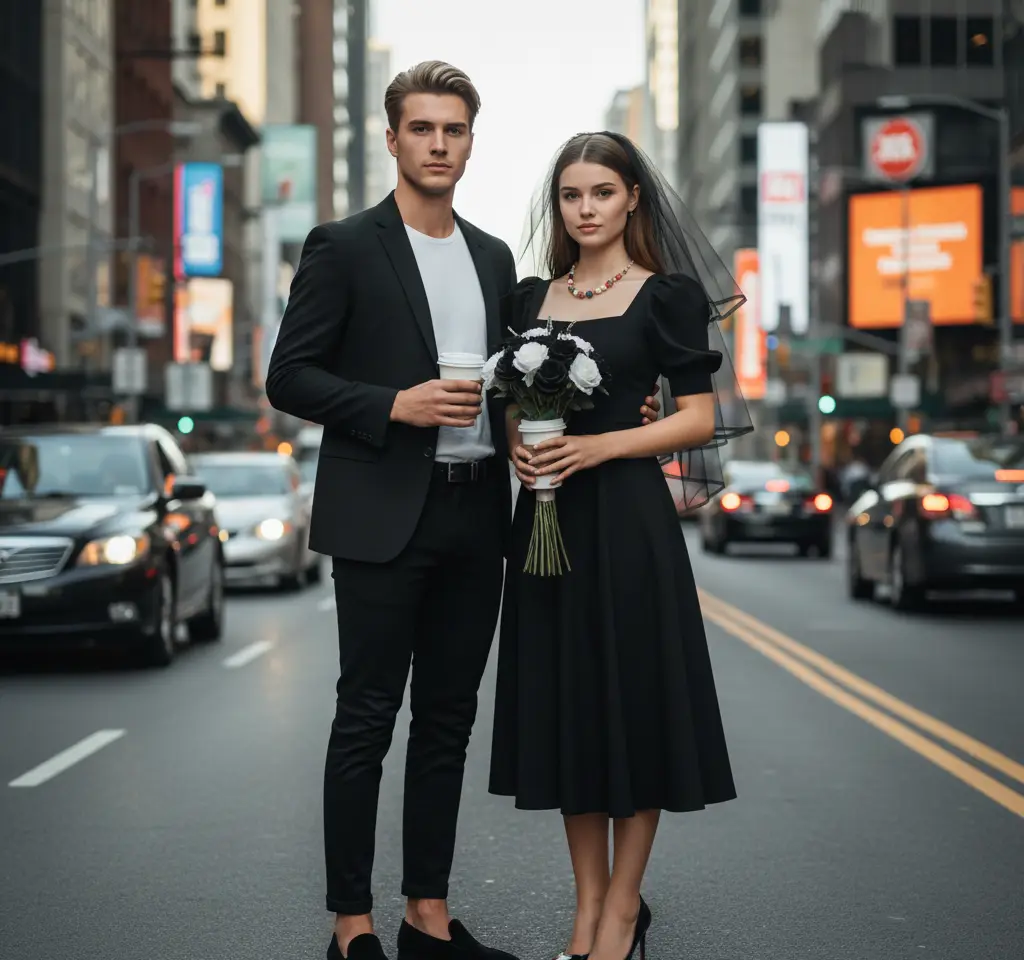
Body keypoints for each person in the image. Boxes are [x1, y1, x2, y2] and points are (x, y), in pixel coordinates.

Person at [265, 65, 662, 960]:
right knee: (366, 717)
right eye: (422, 129)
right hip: (380, 514)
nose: (439, 145)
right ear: (394, 138)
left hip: (478, 517)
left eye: (454, 130)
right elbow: (286, 376)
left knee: (448, 721)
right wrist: (390, 405)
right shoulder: (344, 245)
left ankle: (427, 916)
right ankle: (352, 925)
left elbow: (541, 370)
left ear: (471, 142)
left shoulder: (495, 260)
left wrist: (630, 406)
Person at [488, 132, 754, 960]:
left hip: (631, 526)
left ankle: (623, 909)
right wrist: (520, 446)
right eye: (572, 196)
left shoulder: (666, 296)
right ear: (558, 206)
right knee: (571, 713)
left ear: (632, 197)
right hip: (547, 526)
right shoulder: (532, 299)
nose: (586, 209)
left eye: (602, 192)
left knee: (635, 710)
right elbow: (508, 406)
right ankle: (586, 908)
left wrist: (599, 447)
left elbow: (700, 417)